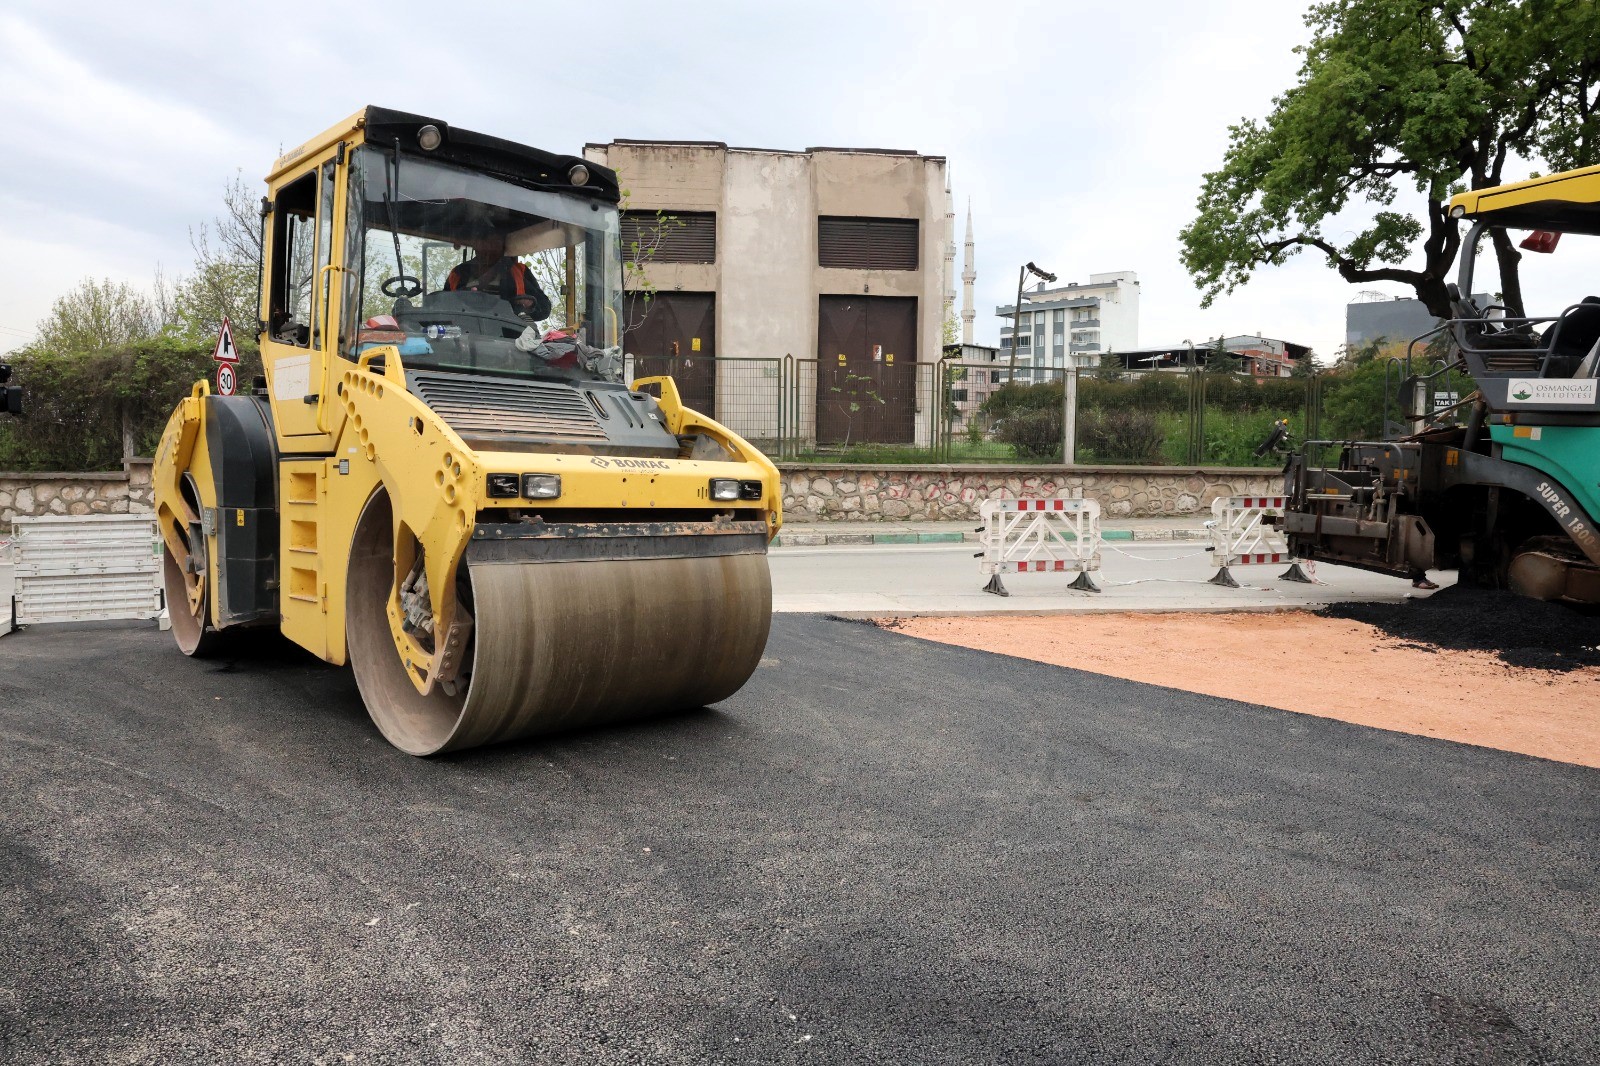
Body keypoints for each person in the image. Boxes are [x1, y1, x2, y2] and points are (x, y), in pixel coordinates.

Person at [444, 232, 552, 320]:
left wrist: (530, 305)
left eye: (495, 243)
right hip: (465, 334)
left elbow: (544, 309)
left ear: (503, 247)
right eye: (484, 242)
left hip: (510, 336)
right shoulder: (458, 273)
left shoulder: (519, 271)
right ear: (475, 245)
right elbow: (443, 306)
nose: (489, 248)